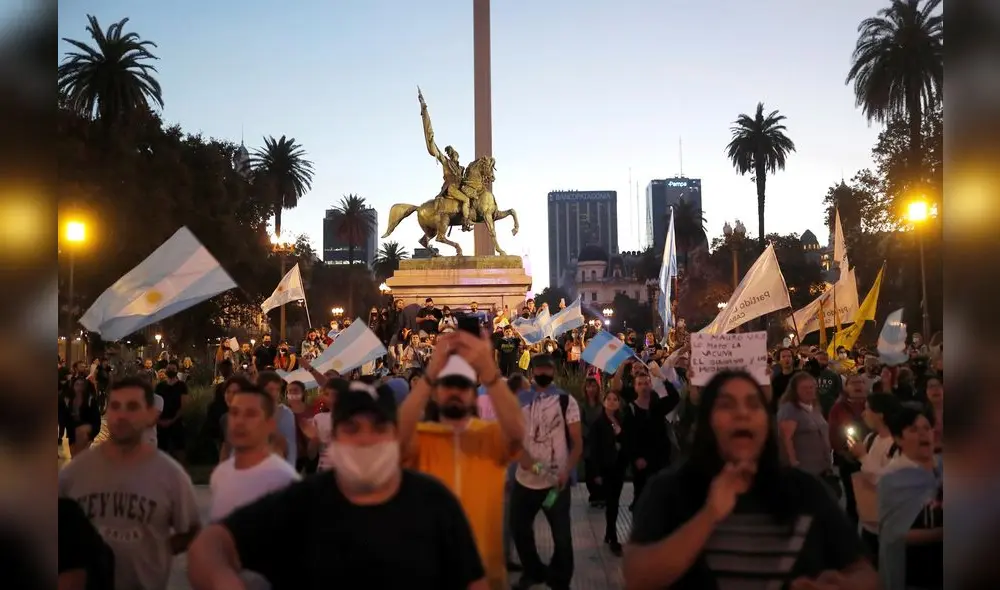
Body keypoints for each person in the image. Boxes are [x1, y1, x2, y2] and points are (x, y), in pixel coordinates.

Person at [186, 380, 489, 589]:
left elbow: (474, 581)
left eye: (378, 427)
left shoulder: (434, 502)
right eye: (352, 428)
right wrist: (224, 580)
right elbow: (209, 544)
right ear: (338, 437)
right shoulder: (302, 501)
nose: (365, 439)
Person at [623, 370, 880, 590]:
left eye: (753, 404)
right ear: (706, 422)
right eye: (726, 405)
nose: (742, 414)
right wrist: (709, 514)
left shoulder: (806, 491)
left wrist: (844, 585)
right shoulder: (669, 490)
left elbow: (865, 572)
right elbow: (637, 576)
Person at [399, 329, 526, 590]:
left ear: (473, 393)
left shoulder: (490, 436)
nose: (455, 391)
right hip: (429, 571)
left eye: (463, 385)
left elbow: (517, 431)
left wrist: (489, 372)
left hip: (485, 573)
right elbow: (396, 435)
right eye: (447, 385)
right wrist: (431, 372)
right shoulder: (421, 438)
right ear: (435, 392)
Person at [59, 377, 202, 590]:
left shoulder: (170, 475)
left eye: (133, 407)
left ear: (150, 414)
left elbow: (191, 529)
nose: (122, 415)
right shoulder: (75, 472)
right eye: (116, 406)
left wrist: (156, 550)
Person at [510, 354, 582, 590]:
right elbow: (514, 440)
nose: (542, 374)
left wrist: (566, 470)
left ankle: (560, 581)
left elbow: (577, 442)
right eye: (538, 369)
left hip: (555, 485)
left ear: (553, 372)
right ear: (532, 373)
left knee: (561, 537)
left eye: (547, 370)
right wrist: (524, 458)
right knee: (520, 529)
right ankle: (533, 571)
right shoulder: (520, 401)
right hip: (526, 482)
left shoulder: (565, 401)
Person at [209, 382, 300, 521]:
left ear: (269, 423)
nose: (240, 421)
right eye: (235, 413)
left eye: (250, 414)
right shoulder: (221, 475)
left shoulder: (282, 478)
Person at [877, 407, 942, 590]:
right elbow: (893, 535)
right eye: (913, 429)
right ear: (898, 439)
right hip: (914, 571)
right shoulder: (893, 478)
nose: (923, 433)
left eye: (927, 428)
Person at [777, 372, 835, 491]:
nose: (809, 391)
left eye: (811, 387)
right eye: (804, 388)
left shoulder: (814, 408)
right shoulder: (790, 410)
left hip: (821, 468)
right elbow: (786, 439)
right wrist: (794, 464)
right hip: (804, 470)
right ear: (795, 391)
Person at [589, 390, 629, 555]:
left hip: (618, 466)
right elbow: (594, 450)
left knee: (615, 501)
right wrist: (596, 473)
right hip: (605, 467)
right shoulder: (598, 423)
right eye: (609, 399)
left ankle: (609, 532)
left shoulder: (622, 420)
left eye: (615, 399)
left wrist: (620, 436)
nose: (612, 402)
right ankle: (613, 537)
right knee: (611, 502)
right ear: (604, 402)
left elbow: (627, 442)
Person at [827, 373, 869, 524]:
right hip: (849, 460)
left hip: (872, 457)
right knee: (852, 500)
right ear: (846, 387)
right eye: (853, 383)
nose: (858, 385)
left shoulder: (872, 405)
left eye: (860, 382)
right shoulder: (839, 408)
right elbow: (833, 433)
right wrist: (843, 452)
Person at [154, 360, 189, 464]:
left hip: (176, 421)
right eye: (169, 369)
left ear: (177, 371)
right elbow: (155, 404)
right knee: (161, 449)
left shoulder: (182, 386)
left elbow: (184, 405)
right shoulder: (160, 386)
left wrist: (172, 420)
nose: (170, 371)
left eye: (173, 369)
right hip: (161, 422)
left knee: (179, 449)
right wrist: (159, 421)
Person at [578, 377, 605, 507]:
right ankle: (593, 494)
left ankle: (601, 495)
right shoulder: (582, 405)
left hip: (601, 442)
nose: (591, 389)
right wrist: (589, 434)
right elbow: (580, 423)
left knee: (601, 469)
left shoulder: (602, 405)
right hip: (588, 442)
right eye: (589, 387)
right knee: (590, 469)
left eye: (594, 386)